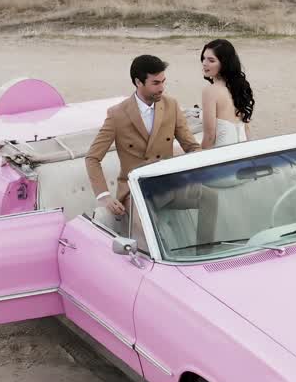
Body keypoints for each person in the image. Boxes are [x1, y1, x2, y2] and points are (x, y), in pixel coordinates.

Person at [85, 54, 216, 243]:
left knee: (211, 197)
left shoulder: (171, 105)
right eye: (155, 83)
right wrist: (104, 196)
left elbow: (192, 147)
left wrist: (196, 174)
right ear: (138, 82)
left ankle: (205, 251)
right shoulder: (117, 114)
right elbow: (92, 158)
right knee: (148, 233)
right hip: (136, 192)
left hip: (169, 185)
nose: (161, 88)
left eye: (163, 81)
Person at [199, 39, 255, 149]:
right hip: (242, 147)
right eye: (203, 58)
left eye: (211, 60)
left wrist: (200, 159)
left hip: (222, 152)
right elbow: (246, 128)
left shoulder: (210, 91)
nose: (204, 63)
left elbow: (210, 136)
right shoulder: (239, 87)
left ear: (224, 63)